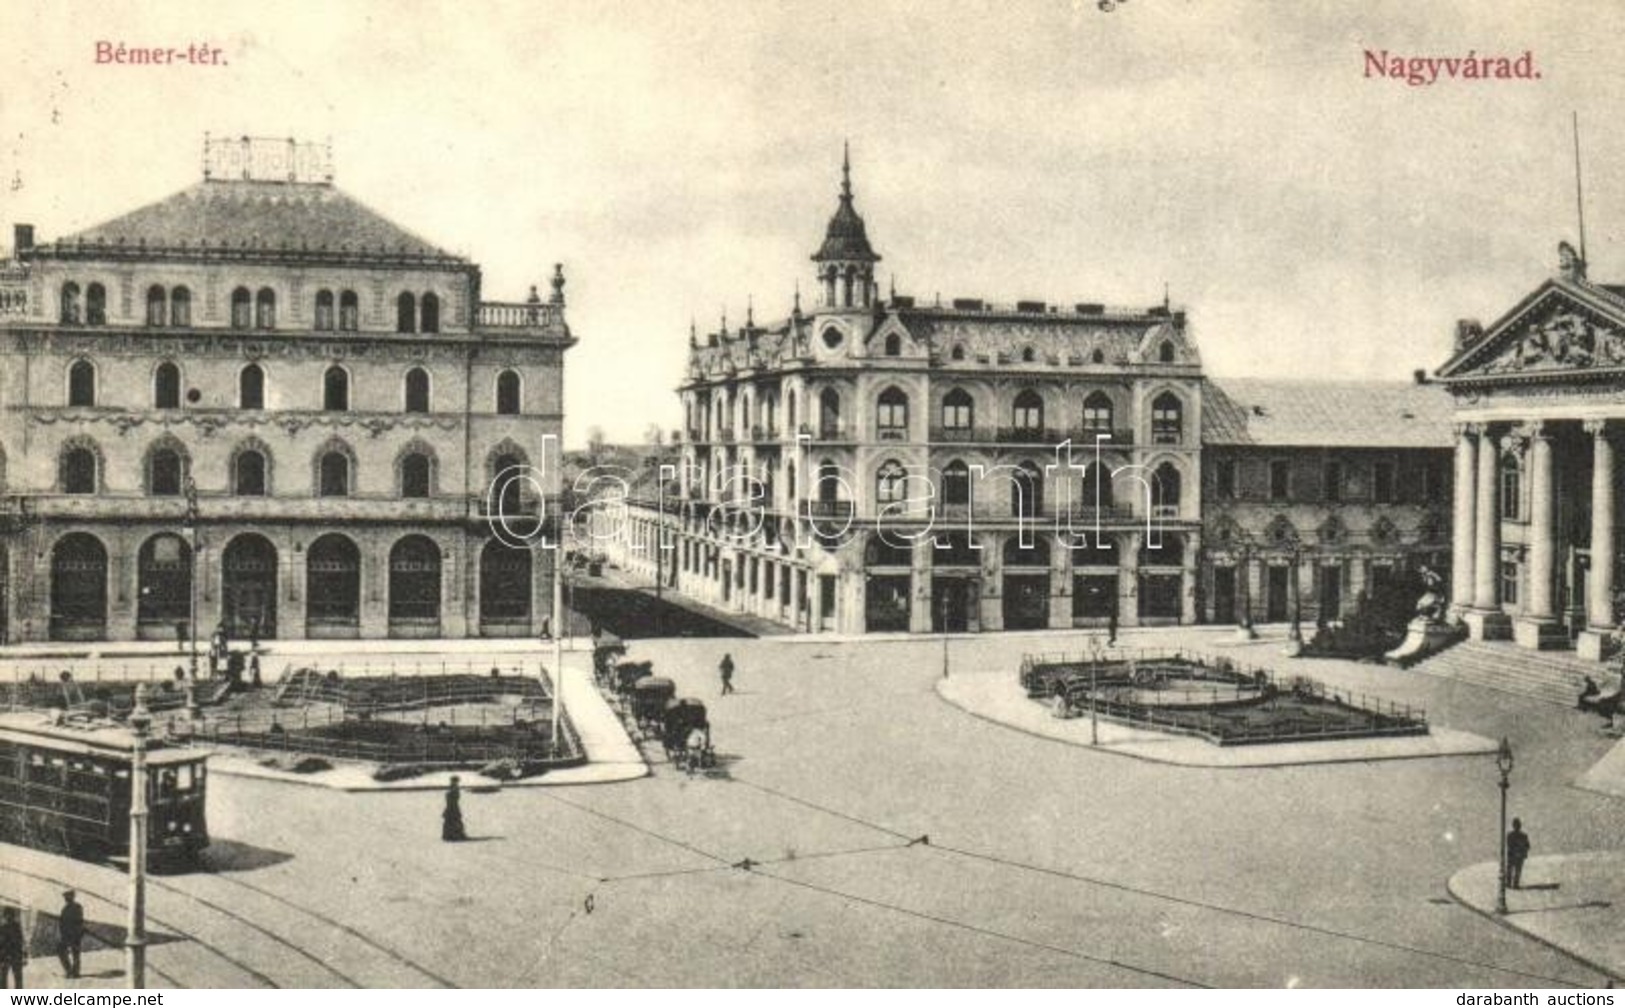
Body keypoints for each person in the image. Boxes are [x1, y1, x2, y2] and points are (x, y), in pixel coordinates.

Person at [56, 891, 82, 980]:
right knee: (61, 950)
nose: (66, 898)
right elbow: (61, 923)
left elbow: (79, 922)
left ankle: (74, 972)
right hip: (66, 935)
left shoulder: (77, 907)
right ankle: (70, 970)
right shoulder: (65, 909)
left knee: (75, 954)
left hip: (74, 934)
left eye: (67, 897)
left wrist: (76, 934)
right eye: (65, 897)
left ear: (72, 897)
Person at [0, 906, 24, 989]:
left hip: (10, 955)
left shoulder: (10, 927)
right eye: (6, 915)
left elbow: (18, 942)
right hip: (10, 955)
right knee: (5, 978)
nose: (7, 917)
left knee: (6, 978)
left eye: (8, 915)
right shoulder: (16, 927)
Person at [1507, 817, 1531, 890]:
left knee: (1512, 870)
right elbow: (1528, 846)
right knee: (1516, 870)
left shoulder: (1510, 835)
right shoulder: (1523, 836)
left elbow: (1509, 845)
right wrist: (1522, 850)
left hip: (1513, 855)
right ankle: (1514, 884)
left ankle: (1510, 883)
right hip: (1518, 856)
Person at [442, 776, 467, 842]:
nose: (456, 783)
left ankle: (453, 834)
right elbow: (450, 797)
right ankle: (451, 835)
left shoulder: (454, 788)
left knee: (454, 821)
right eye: (455, 781)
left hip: (453, 806)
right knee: (453, 821)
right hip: (452, 806)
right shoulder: (452, 789)